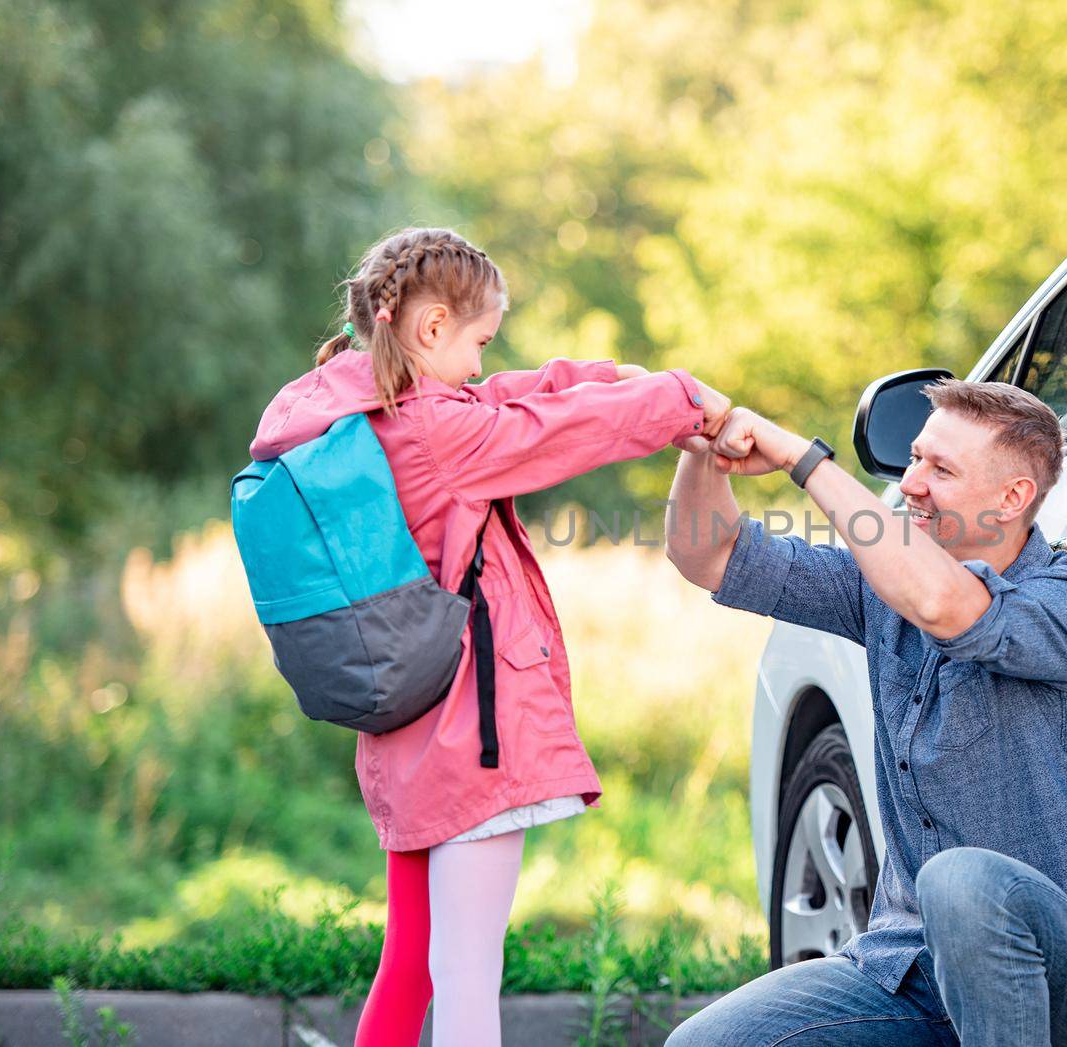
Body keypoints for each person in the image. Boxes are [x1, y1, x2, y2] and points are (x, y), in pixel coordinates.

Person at [244, 227, 731, 1047]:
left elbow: (506, 397)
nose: (479, 362)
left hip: (408, 737)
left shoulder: (369, 409)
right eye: (477, 340)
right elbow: (553, 433)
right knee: (470, 974)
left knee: (414, 963)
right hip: (473, 740)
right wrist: (688, 401)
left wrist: (608, 376)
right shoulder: (442, 437)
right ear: (431, 328)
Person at [663, 381, 1067, 1046]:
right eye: (915, 458)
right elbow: (707, 555)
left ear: (1012, 498)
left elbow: (944, 605)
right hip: (909, 967)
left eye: (940, 469)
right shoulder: (882, 589)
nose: (911, 483)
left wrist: (802, 460)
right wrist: (704, 451)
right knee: (704, 1043)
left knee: (960, 879)